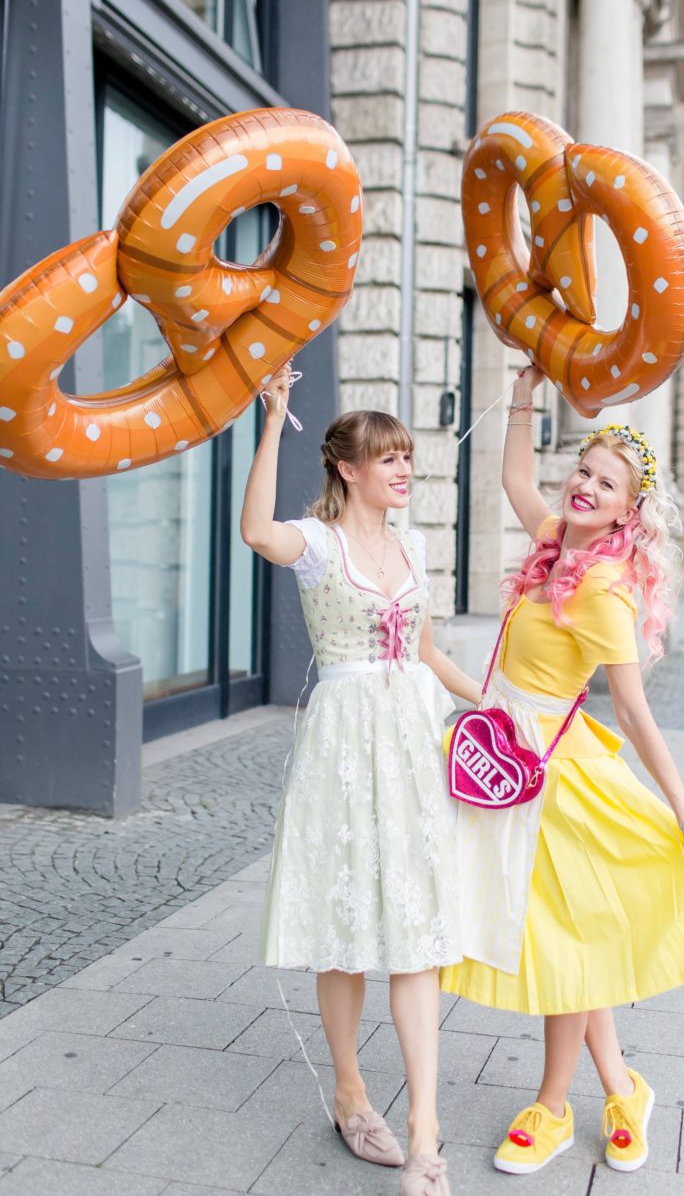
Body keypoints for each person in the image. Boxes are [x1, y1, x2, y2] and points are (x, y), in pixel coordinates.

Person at [440, 365, 684, 1177]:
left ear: (625, 510)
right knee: (567, 943)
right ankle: (620, 1086)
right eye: (583, 469)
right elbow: (509, 473)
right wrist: (527, 389)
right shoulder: (546, 546)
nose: (584, 486)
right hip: (498, 757)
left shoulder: (604, 589)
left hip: (556, 781)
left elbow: (634, 712)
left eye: (606, 484)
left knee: (562, 947)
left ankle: (550, 1108)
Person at [241, 364, 481, 1196]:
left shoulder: (414, 545)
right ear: (348, 468)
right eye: (389, 460)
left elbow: (423, 649)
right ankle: (349, 1091)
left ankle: (424, 1131)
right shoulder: (318, 543)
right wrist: (273, 421)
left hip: (411, 741)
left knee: (416, 929)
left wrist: (489, 705)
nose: (405, 471)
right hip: (343, 743)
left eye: (408, 458)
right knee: (344, 927)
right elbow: (254, 532)